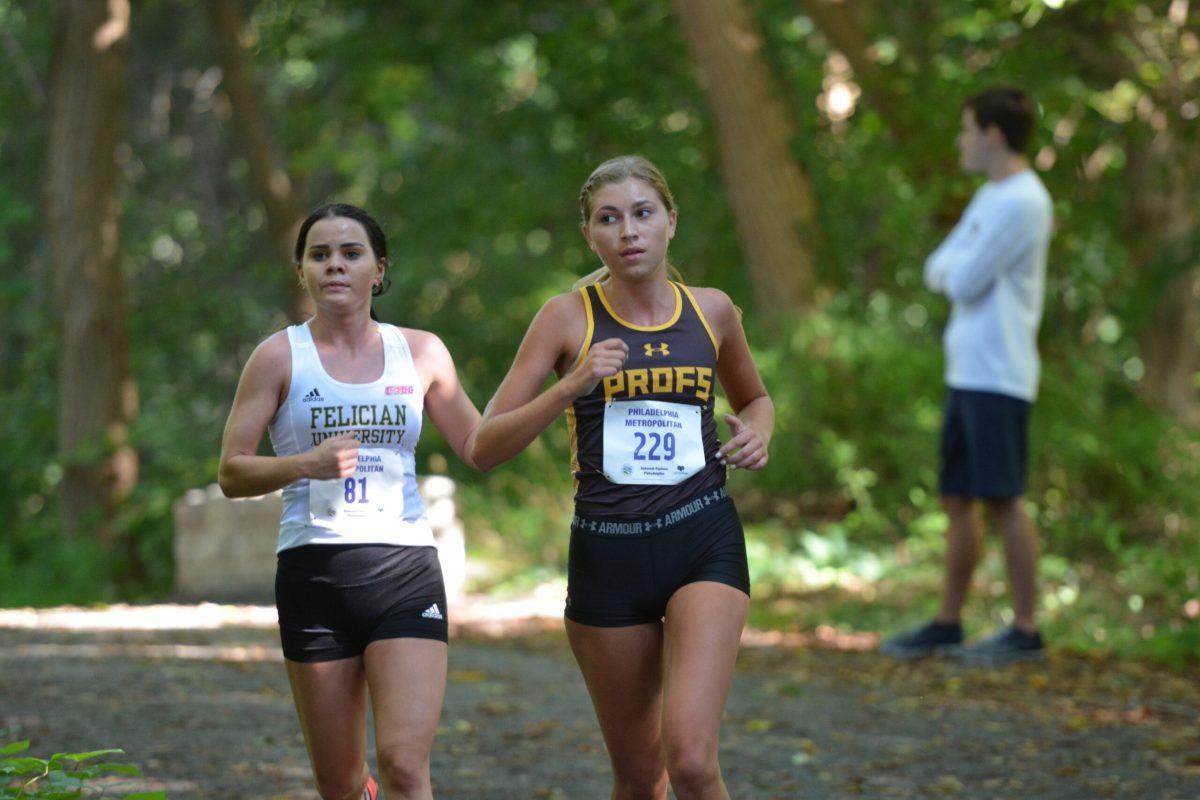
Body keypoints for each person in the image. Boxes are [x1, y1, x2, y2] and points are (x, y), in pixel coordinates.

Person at [471, 155, 773, 800]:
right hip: (607, 551)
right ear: (590, 235)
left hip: (702, 538)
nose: (628, 231)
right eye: (609, 219)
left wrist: (757, 433)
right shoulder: (565, 318)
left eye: (642, 214)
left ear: (670, 222)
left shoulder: (713, 311)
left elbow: (756, 400)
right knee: (640, 778)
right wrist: (573, 384)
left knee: (690, 760)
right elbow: (484, 446)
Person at [218, 203, 481, 800]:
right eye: (320, 255)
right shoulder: (279, 357)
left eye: (350, 253)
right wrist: (303, 465)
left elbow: (478, 441)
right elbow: (232, 472)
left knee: (405, 765)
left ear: (378, 271)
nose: (335, 265)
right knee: (339, 784)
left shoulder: (420, 352)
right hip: (315, 575)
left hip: (405, 571)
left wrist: (566, 389)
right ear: (302, 272)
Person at [881, 86, 1053, 666]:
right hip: (968, 373)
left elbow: (962, 281)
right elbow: (939, 267)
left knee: (1004, 498)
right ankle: (947, 622)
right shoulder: (991, 195)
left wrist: (958, 265)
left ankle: (1026, 630)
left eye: (967, 130)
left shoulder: (1023, 201)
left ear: (993, 135)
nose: (961, 141)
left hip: (1000, 374)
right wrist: (958, 264)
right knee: (957, 497)